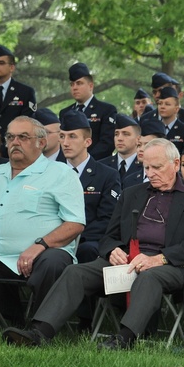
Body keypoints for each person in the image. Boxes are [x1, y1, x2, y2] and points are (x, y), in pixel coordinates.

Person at [3, 138, 184, 350]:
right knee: (75, 273)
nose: (150, 173)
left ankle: (124, 339)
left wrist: (159, 258)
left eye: (157, 167)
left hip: (171, 264)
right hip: (127, 260)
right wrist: (112, 250)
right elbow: (108, 236)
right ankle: (39, 333)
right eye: (147, 167)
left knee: (150, 276)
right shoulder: (132, 193)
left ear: (176, 164)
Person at [0, 116, 85, 321]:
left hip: (42, 255)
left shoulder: (60, 173)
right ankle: (9, 320)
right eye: (11, 137)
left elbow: (75, 223)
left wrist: (40, 245)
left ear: (41, 143)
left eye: (23, 137)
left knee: (53, 261)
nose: (15, 142)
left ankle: (41, 326)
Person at [58, 111, 121, 262]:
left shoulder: (107, 175)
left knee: (88, 250)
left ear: (87, 142)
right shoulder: (52, 173)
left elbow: (107, 219)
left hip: (87, 240)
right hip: (54, 239)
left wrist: (72, 236)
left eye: (72, 136)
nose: (65, 143)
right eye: (62, 136)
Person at [59, 62, 117, 160]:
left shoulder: (106, 110)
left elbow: (107, 143)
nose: (75, 87)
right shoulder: (65, 113)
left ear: (90, 86)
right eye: (72, 84)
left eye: (79, 83)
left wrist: (84, 160)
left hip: (97, 165)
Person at [0, 44, 37, 147]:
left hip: (15, 147)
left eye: (1, 63)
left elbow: (28, 122)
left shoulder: (25, 92)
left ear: (12, 67)